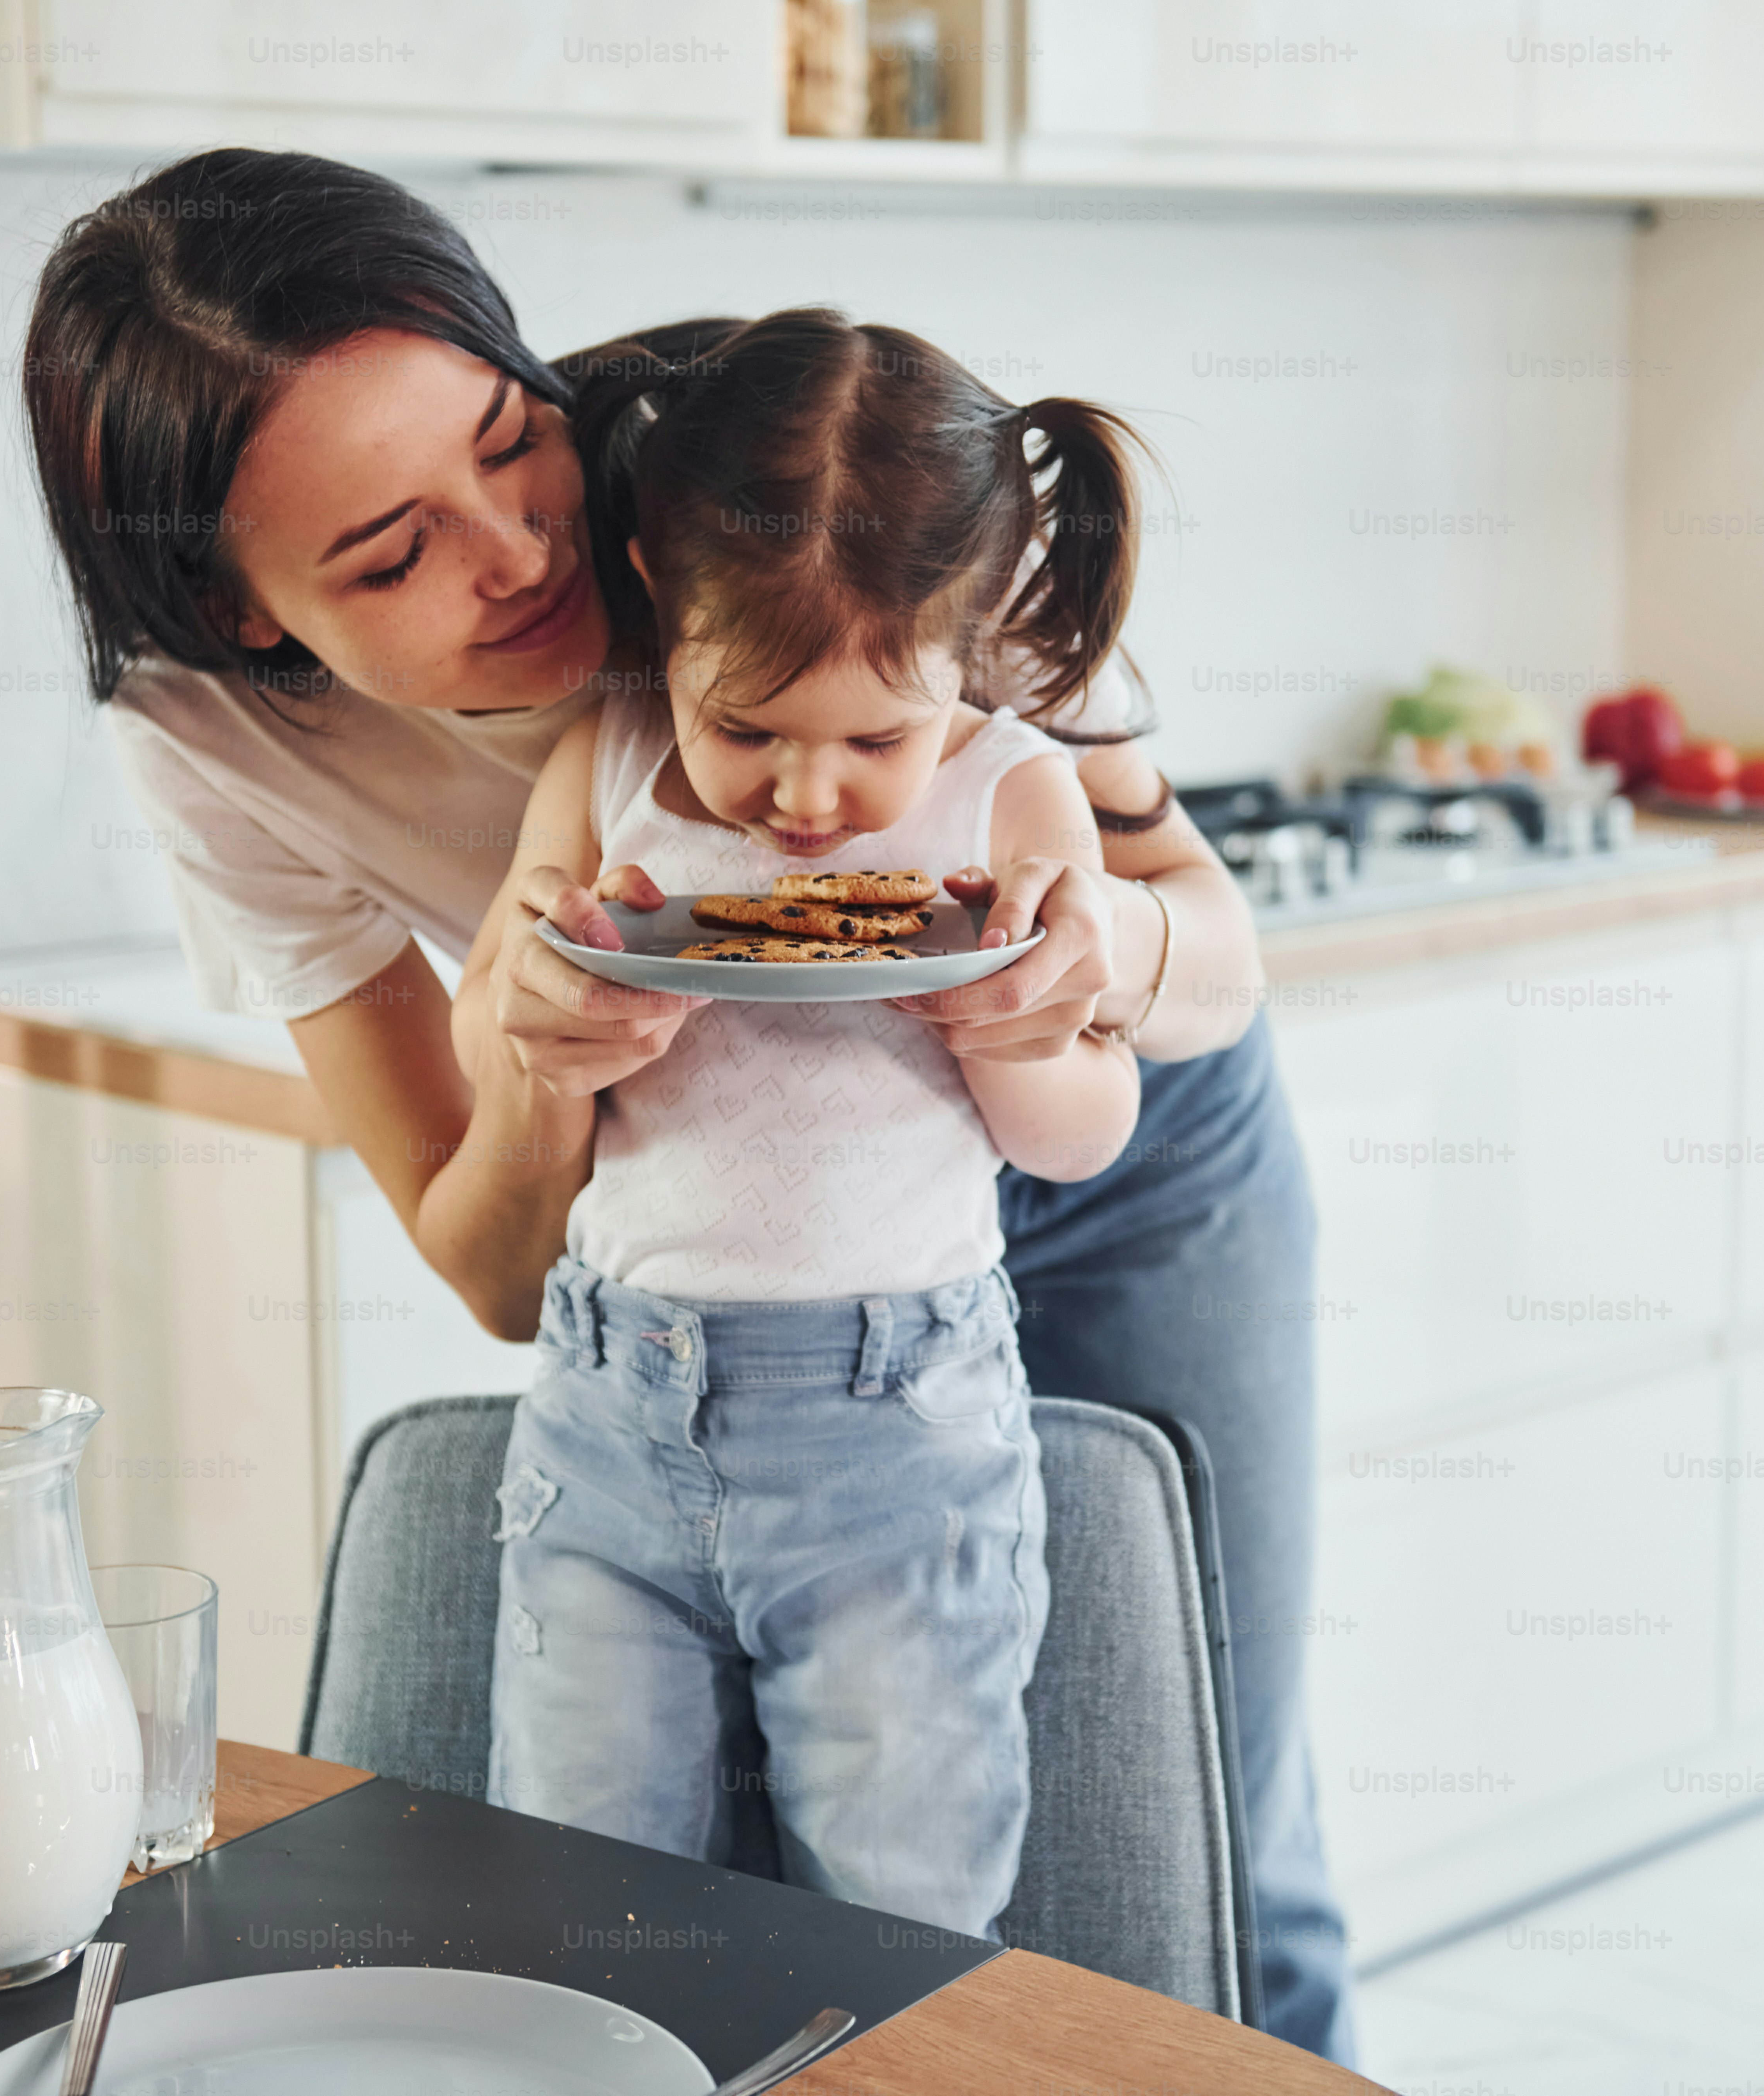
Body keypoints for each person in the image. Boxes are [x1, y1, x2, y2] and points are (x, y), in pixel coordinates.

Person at [22, 147, 1356, 2061]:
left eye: (508, 439)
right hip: (690, 1226)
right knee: (706, 1863)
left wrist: (1087, 972)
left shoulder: (775, 485)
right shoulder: (215, 744)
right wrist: (546, 1078)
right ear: (245, 619)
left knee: (1210, 1786)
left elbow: (1211, 950)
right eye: (390, 554)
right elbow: (488, 1265)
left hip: (1094, 1133)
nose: (521, 552)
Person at [448, 309, 1140, 1933]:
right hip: (609, 1407)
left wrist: (1013, 1019)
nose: (806, 801)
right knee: (572, 1907)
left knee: (900, 1915)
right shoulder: (609, 760)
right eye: (746, 727)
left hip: (898, 1422)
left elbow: (1082, 1131)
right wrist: (550, 1020)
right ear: (656, 598)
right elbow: (501, 1023)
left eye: (873, 740)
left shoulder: (1015, 797)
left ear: (966, 654)